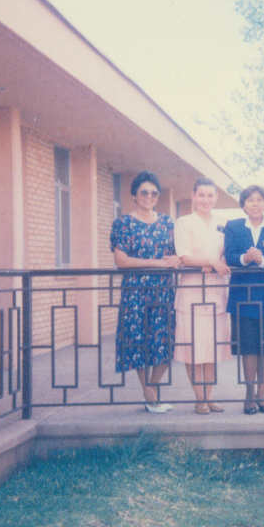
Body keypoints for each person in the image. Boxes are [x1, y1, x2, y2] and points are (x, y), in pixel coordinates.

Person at [110, 170, 181, 413]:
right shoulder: (124, 223)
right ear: (134, 196)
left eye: (153, 193)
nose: (149, 196)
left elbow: (177, 253)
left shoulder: (167, 223)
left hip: (163, 292)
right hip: (136, 292)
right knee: (138, 342)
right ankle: (150, 395)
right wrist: (159, 263)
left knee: (165, 341)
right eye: (144, 192)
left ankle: (151, 388)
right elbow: (121, 260)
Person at [224, 186, 264, 415]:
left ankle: (262, 393)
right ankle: (249, 394)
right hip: (242, 294)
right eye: (250, 200)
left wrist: (261, 259)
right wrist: (244, 258)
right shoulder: (233, 226)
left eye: (259, 200)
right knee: (248, 346)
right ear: (243, 205)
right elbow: (229, 254)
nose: (255, 204)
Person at [173, 178, 232, 414]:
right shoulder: (184, 222)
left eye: (210, 195)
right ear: (193, 196)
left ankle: (210, 396)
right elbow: (184, 256)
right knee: (193, 347)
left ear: (216, 198)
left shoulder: (223, 224)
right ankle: (199, 398)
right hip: (192, 291)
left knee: (212, 348)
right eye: (202, 195)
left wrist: (219, 263)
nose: (206, 200)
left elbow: (227, 255)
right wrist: (209, 262)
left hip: (216, 290)